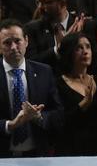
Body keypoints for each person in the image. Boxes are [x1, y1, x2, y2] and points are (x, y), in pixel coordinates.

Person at [0, 19, 63, 157]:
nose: (13, 47)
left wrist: (39, 117)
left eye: (18, 41)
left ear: (26, 41)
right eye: (7, 43)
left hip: (37, 154)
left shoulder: (44, 72)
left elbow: (58, 113)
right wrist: (10, 125)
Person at [55, 33, 97, 155]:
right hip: (69, 151)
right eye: (79, 48)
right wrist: (84, 103)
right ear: (69, 52)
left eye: (88, 47)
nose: (85, 51)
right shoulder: (58, 84)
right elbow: (60, 123)